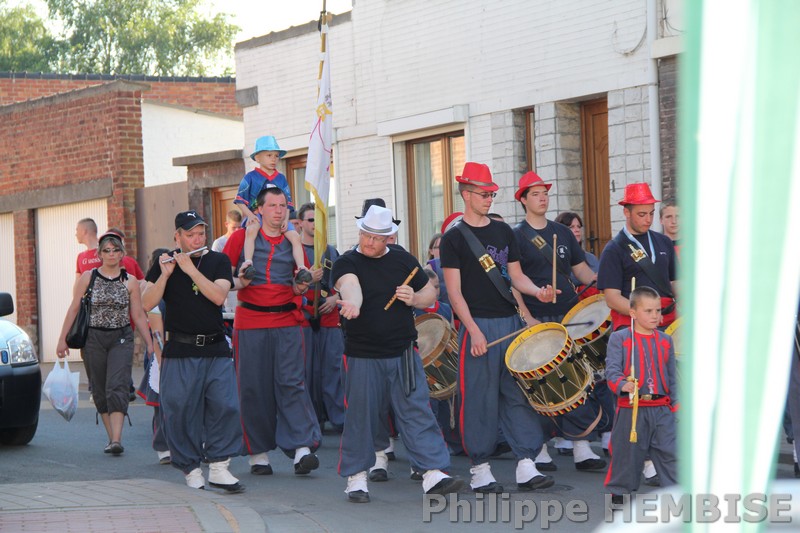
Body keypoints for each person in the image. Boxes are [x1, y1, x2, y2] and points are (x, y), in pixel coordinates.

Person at [332, 205, 464, 503]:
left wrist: (415, 297)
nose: (369, 242)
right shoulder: (346, 261)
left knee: (417, 410)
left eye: (377, 238)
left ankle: (433, 472)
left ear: (389, 238)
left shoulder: (404, 260)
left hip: (403, 350)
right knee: (360, 415)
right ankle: (356, 477)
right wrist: (353, 303)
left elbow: (430, 293)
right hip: (362, 353)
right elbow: (350, 285)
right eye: (366, 235)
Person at [439, 161, 556, 493]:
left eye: (492, 194)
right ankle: (480, 468)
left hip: (510, 323)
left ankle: (525, 463)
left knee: (517, 393)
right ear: (466, 194)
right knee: (479, 398)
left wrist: (538, 291)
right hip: (478, 326)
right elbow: (455, 293)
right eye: (484, 194)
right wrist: (473, 330)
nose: (489, 199)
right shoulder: (453, 239)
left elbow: (516, 277)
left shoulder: (505, 232)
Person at [141, 211, 244, 493]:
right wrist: (165, 276)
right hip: (180, 349)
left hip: (216, 347)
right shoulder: (165, 263)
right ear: (177, 237)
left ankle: (220, 466)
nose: (197, 239)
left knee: (226, 405)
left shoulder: (217, 261)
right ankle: (191, 468)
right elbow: (146, 302)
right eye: (190, 235)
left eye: (201, 233)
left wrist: (191, 270)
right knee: (180, 411)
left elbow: (219, 296)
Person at [223, 186, 322, 477]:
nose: (279, 211)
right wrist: (239, 280)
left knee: (292, 383)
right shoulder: (241, 238)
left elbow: (300, 284)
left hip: (287, 321)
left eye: (283, 206)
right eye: (273, 205)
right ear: (260, 209)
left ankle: (302, 448)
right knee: (253, 388)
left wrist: (301, 287)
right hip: (250, 322)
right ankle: (258, 453)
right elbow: (221, 278)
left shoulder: (293, 240)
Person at [511, 171, 605, 472]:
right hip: (537, 318)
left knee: (576, 379)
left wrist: (605, 284)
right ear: (523, 200)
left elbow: (582, 272)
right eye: (535, 194)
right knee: (539, 385)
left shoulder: (562, 233)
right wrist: (527, 317)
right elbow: (514, 282)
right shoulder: (516, 236)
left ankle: (581, 446)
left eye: (545, 193)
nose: (543, 198)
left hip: (568, 316)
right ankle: (539, 447)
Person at [57, 231, 153, 455]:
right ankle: (111, 438)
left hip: (121, 337)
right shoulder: (88, 277)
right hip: (93, 339)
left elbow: (138, 314)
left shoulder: (130, 281)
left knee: (117, 386)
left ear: (122, 254)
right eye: (107, 250)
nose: (111, 254)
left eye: (115, 250)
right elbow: (74, 308)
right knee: (99, 389)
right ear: (99, 254)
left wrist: (149, 343)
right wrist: (62, 339)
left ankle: (117, 439)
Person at [604, 286, 678, 501]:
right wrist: (622, 384)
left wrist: (677, 406)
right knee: (626, 455)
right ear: (633, 313)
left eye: (658, 310)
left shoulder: (665, 340)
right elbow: (612, 370)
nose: (655, 315)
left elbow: (672, 377)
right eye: (648, 311)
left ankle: (676, 495)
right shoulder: (620, 338)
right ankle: (619, 495)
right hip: (632, 409)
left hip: (661, 409)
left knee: (671, 454)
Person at [597, 183, 678, 332]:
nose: (648, 220)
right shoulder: (613, 249)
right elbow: (612, 298)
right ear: (626, 212)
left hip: (668, 318)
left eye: (651, 213)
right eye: (642, 214)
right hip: (633, 324)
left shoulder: (664, 241)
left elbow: (675, 281)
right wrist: (645, 315)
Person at [297, 202, 345, 431]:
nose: (315, 224)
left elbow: (344, 282)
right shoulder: (293, 250)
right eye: (311, 219)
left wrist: (336, 298)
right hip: (303, 317)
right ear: (300, 223)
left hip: (329, 316)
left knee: (334, 369)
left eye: (319, 220)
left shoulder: (331, 252)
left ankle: (340, 418)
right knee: (306, 371)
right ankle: (312, 419)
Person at [234, 135, 308, 283]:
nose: (273, 159)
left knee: (295, 236)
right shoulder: (250, 177)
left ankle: (301, 267)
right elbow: (239, 200)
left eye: (276, 156)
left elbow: (288, 202)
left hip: (279, 218)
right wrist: (250, 215)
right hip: (257, 215)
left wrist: (286, 219)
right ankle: (248, 262)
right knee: (251, 230)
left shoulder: (281, 178)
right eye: (269, 155)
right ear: (258, 158)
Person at [137, 247, 171, 465]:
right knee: (160, 402)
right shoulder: (149, 288)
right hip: (160, 349)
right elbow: (150, 319)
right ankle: (163, 445)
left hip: (176, 348)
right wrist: (153, 347)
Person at [212, 210, 243, 313]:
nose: (237, 230)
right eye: (234, 228)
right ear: (226, 224)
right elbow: (215, 270)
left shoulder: (245, 240)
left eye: (239, 227)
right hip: (229, 293)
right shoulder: (219, 243)